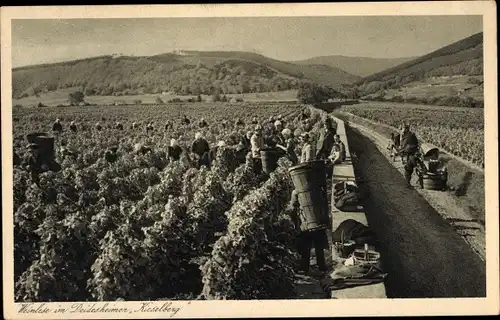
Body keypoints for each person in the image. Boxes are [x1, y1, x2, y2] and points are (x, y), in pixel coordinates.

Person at [290, 189, 328, 274]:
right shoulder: (318, 189)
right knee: (319, 247)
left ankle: (304, 268)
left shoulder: (296, 192)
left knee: (305, 248)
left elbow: (292, 208)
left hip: (305, 223)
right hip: (318, 223)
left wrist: (295, 223)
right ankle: (322, 267)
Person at [396, 123, 420, 187]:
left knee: (408, 169)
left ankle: (408, 183)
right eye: (402, 129)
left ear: (406, 129)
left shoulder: (409, 136)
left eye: (404, 129)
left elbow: (406, 147)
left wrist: (400, 152)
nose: (402, 131)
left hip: (411, 154)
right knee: (410, 169)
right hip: (412, 154)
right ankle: (410, 182)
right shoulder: (409, 135)